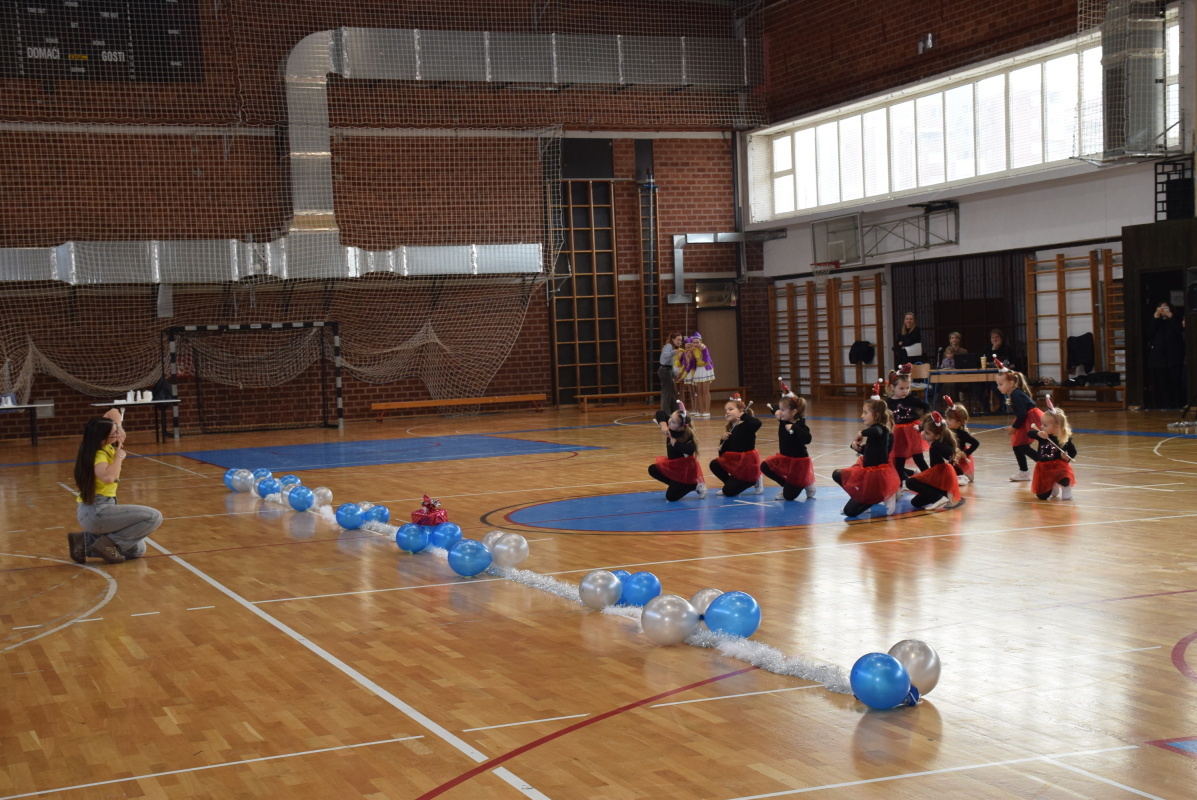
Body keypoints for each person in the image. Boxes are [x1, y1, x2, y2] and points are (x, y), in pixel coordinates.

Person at [70, 414, 163, 564]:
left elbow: (113, 411)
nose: (117, 435)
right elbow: (108, 477)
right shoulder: (99, 454)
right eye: (114, 433)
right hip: (96, 512)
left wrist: (118, 428)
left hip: (99, 510)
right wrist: (119, 457)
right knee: (154, 517)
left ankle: (84, 542)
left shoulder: (105, 445)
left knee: (136, 550)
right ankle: (107, 545)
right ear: (102, 439)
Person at [832, 382, 901, 517]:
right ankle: (867, 498)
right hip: (866, 471)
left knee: (850, 512)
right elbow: (871, 451)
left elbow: (876, 431)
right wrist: (856, 447)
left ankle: (886, 495)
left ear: (876, 414)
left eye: (865, 413)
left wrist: (861, 433)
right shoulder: (874, 430)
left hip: (876, 477)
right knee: (837, 474)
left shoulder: (882, 429)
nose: (862, 416)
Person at [761, 382, 816, 502]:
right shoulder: (783, 418)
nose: (780, 412)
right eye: (780, 409)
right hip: (785, 459)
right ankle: (786, 485)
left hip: (799, 463)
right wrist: (776, 411)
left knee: (788, 497)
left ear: (794, 412)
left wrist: (794, 428)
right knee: (765, 466)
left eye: (783, 410)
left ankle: (807, 483)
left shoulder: (800, 424)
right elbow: (774, 408)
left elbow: (808, 439)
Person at [902, 412, 963, 511]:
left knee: (910, 482)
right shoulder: (935, 439)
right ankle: (942, 494)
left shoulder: (938, 443)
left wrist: (933, 443)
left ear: (937, 436)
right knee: (915, 503)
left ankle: (939, 498)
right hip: (937, 475)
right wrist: (920, 429)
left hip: (941, 474)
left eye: (927, 433)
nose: (924, 434)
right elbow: (924, 433)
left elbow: (949, 451)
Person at [994, 359, 1042, 481]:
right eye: (997, 384)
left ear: (1011, 383)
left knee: (1021, 445)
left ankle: (1043, 461)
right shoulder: (1014, 393)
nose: (998, 387)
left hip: (1030, 419)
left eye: (1001, 384)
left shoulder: (1015, 395)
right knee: (1018, 445)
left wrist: (1014, 427)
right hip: (1028, 418)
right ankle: (1024, 471)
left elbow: (1022, 414)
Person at [648, 401, 706, 501]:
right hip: (674, 467)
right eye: (670, 418)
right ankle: (678, 485)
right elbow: (660, 413)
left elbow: (690, 449)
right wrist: (663, 425)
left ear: (681, 428)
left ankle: (693, 484)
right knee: (653, 469)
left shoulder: (686, 435)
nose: (669, 421)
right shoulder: (671, 425)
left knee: (671, 497)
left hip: (685, 471)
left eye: (673, 422)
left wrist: (676, 444)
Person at [709, 393, 762, 497]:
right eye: (726, 410)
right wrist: (723, 441)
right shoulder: (730, 429)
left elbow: (757, 423)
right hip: (736, 465)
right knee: (714, 464)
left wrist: (744, 416)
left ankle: (755, 480)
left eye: (730, 409)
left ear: (741, 411)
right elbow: (723, 455)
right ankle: (730, 485)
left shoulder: (747, 426)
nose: (727, 412)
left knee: (728, 492)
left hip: (746, 465)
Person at [886, 364, 930, 481]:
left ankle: (931, 478)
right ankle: (900, 484)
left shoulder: (911, 399)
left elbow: (926, 407)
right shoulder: (888, 403)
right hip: (898, 433)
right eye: (901, 388)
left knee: (918, 457)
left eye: (907, 388)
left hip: (913, 432)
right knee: (899, 460)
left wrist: (924, 420)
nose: (905, 391)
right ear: (892, 387)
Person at [1028, 397, 1077, 501]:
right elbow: (1029, 433)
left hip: (1058, 467)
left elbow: (1073, 452)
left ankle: (1066, 487)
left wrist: (1067, 458)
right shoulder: (1043, 435)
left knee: (1063, 476)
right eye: (1042, 424)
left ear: (1056, 427)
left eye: (1045, 425)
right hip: (1043, 468)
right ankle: (1053, 484)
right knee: (1042, 497)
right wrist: (1038, 433)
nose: (1041, 427)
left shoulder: (1064, 439)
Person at [1147, 302, 1186, 409]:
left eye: (1166, 308)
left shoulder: (1175, 319)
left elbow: (1179, 330)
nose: (1163, 310)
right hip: (1159, 357)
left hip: (1174, 356)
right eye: (1160, 307)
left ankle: (1179, 404)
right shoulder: (1156, 321)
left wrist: (1170, 316)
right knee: (1162, 383)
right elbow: (1149, 334)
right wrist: (1155, 318)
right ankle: (1166, 405)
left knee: (1176, 381)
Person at [942, 395, 978, 485]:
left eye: (950, 419)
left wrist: (966, 453)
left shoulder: (963, 434)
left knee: (970, 478)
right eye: (946, 418)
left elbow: (976, 443)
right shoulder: (946, 431)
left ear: (958, 423)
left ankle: (961, 475)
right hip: (950, 456)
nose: (946, 421)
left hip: (959, 457)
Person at [685, 332, 715, 418]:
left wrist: (701, 347)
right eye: (694, 343)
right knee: (699, 391)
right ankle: (701, 410)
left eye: (697, 342)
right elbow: (692, 363)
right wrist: (689, 355)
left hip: (705, 369)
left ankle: (707, 410)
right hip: (698, 370)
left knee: (705, 391)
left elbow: (704, 352)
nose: (695, 344)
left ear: (701, 342)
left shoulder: (703, 347)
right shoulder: (693, 351)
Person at [658, 332, 684, 414]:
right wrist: (673, 352)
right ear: (673, 339)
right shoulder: (668, 346)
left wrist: (673, 375)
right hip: (664, 370)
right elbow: (665, 356)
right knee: (667, 392)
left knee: (672, 392)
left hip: (668, 370)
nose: (679, 342)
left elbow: (670, 364)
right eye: (678, 340)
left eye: (681, 340)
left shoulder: (672, 347)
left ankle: (675, 410)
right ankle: (665, 411)